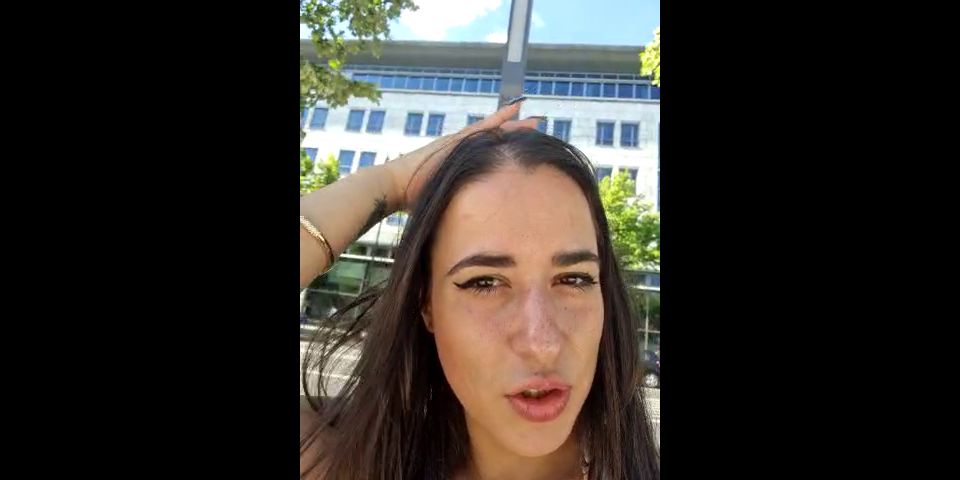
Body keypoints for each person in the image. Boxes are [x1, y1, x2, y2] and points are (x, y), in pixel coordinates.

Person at [299, 99, 660, 479]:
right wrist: (392, 181)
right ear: (427, 304)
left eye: (574, 279)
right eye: (484, 283)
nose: (542, 344)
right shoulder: (344, 465)